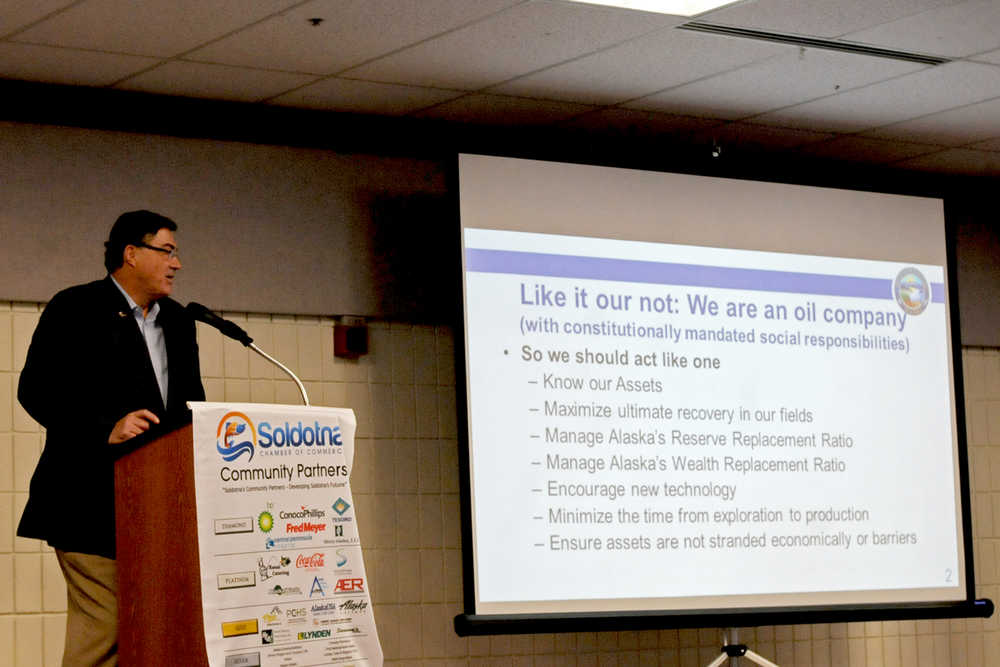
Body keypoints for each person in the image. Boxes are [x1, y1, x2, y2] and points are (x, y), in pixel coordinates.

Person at [16, 210, 205, 666]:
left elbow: (191, 406)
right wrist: (106, 427)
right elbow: (35, 390)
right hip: (86, 502)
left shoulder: (179, 322)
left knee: (155, 631)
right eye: (167, 251)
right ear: (131, 254)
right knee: (104, 627)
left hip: (159, 508)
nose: (177, 263)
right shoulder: (75, 308)